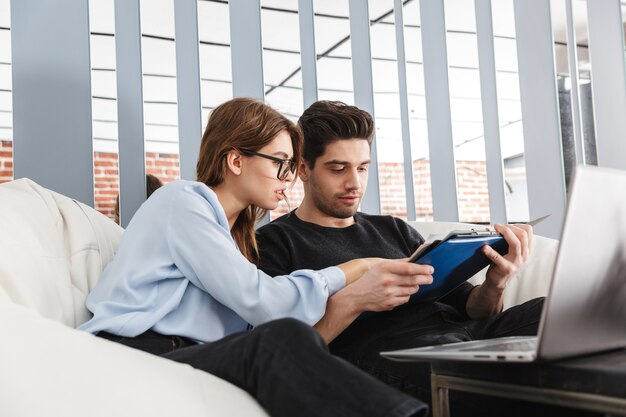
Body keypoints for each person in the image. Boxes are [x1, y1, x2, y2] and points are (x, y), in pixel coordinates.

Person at [79, 98, 429, 417]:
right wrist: (359, 266)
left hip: (187, 355)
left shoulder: (235, 237)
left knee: (290, 339)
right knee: (281, 340)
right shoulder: (181, 201)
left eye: (291, 166)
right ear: (235, 160)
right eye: (280, 163)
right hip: (136, 354)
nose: (288, 179)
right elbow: (267, 303)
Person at [256, 100, 545, 406]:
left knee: (556, 314)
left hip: (467, 335)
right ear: (303, 168)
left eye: (363, 168)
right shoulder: (274, 243)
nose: (354, 183)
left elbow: (474, 310)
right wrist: (357, 299)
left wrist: (495, 283)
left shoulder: (393, 228)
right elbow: (286, 349)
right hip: (396, 356)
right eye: (338, 169)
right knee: (487, 381)